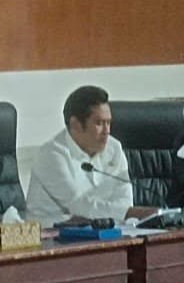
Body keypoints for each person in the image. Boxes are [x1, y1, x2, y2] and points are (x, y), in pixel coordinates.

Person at [27, 85, 159, 226]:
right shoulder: (51, 155)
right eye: (99, 123)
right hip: (52, 233)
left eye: (109, 123)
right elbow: (78, 206)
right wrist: (127, 213)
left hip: (105, 229)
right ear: (76, 124)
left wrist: (125, 213)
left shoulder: (114, 148)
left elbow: (124, 200)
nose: (107, 131)